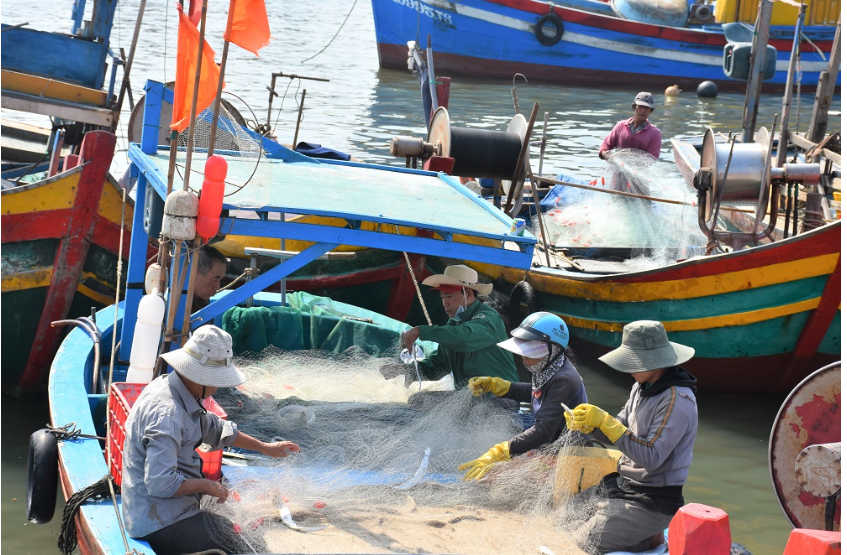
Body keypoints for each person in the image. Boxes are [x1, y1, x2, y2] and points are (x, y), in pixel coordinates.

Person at [121, 325, 300, 554]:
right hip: (157, 520)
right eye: (216, 380)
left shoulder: (176, 387)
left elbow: (216, 429)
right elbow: (160, 483)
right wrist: (207, 485)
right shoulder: (167, 413)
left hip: (169, 508)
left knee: (228, 529)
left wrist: (265, 448)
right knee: (235, 539)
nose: (217, 388)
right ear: (200, 377)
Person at [565, 320, 698, 554]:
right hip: (624, 485)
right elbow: (621, 428)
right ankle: (644, 540)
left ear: (655, 361)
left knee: (583, 542)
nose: (629, 369)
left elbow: (651, 457)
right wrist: (590, 425)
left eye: (633, 362)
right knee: (566, 517)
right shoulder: (641, 386)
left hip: (653, 500)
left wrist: (607, 423)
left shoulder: (677, 399)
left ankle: (649, 535)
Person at [457, 312, 588, 480]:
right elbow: (536, 392)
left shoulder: (565, 379)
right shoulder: (549, 366)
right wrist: (498, 386)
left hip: (565, 451)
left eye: (530, 349)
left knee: (493, 477)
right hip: (548, 440)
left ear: (553, 348)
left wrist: (502, 451)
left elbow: (542, 432)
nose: (522, 356)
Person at [381, 264, 518, 389]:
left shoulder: (488, 318)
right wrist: (406, 370)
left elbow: (464, 339)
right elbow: (438, 366)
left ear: (468, 294)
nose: (444, 303)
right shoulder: (454, 323)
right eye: (442, 297)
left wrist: (421, 331)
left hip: (499, 398)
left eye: (449, 296)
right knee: (418, 401)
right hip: (470, 398)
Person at [598, 92, 662, 161]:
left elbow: (652, 158)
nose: (643, 110)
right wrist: (605, 153)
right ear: (634, 107)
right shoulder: (621, 126)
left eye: (646, 108)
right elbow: (606, 144)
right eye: (640, 106)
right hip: (616, 169)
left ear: (651, 110)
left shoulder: (655, 133)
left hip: (637, 171)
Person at [193, 245, 228, 309]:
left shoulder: (201, 301)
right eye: (215, 279)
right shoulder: (176, 307)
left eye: (219, 280)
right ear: (194, 273)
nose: (218, 287)